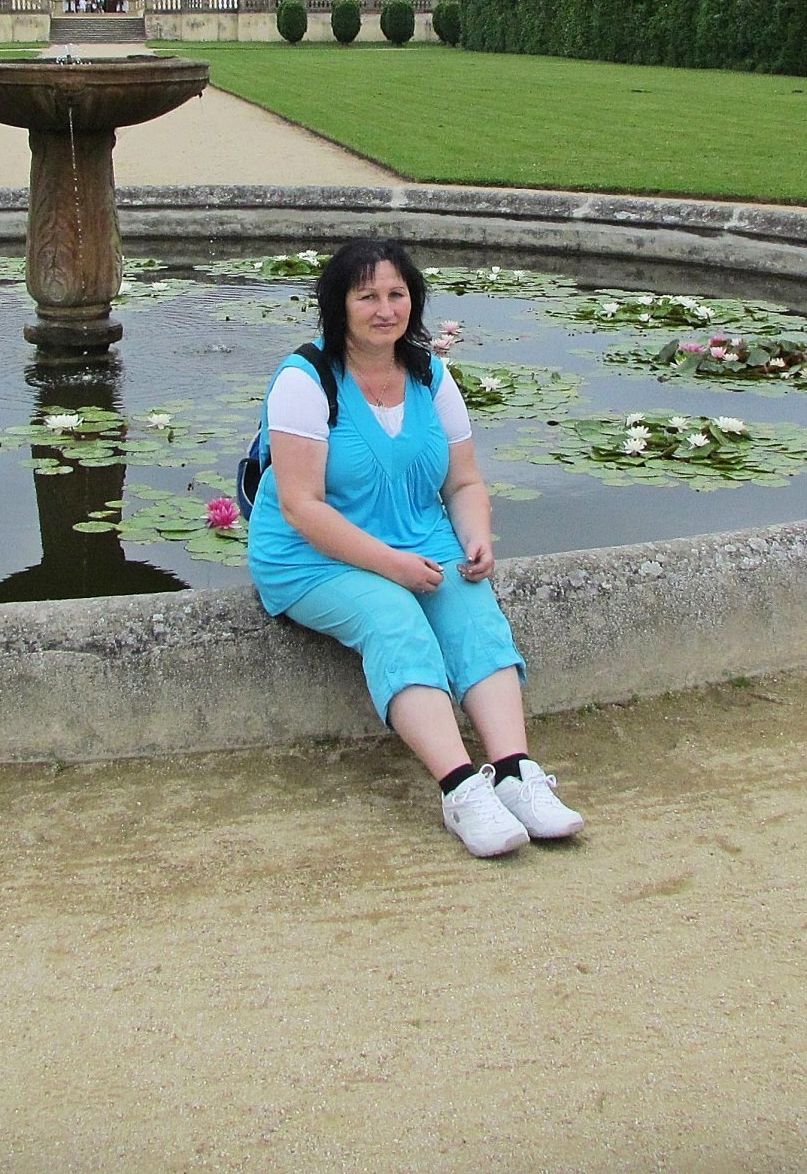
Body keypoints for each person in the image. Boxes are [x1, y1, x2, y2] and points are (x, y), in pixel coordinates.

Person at [246, 238, 587, 858]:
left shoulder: (430, 373)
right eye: (367, 296)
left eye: (397, 294)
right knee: (392, 616)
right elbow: (301, 506)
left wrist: (477, 536)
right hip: (312, 554)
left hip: (419, 540)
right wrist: (391, 566)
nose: (385, 309)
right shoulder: (306, 378)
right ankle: (462, 790)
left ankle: (515, 773)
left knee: (475, 612)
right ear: (338, 305)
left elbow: (462, 482)